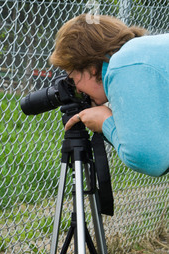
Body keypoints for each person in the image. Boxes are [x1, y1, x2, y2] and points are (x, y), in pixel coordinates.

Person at [50, 14, 169, 177]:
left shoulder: (123, 64)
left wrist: (106, 122)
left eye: (72, 78)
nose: (76, 88)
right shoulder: (143, 54)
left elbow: (151, 161)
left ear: (91, 68)